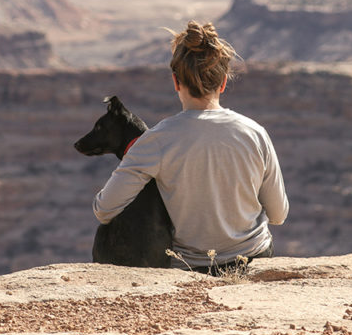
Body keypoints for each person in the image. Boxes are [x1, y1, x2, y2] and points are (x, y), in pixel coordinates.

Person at [92, 20, 288, 272]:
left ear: (175, 81)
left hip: (192, 268)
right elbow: (278, 215)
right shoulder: (255, 133)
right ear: (223, 82)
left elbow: (104, 210)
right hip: (253, 259)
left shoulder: (156, 141)